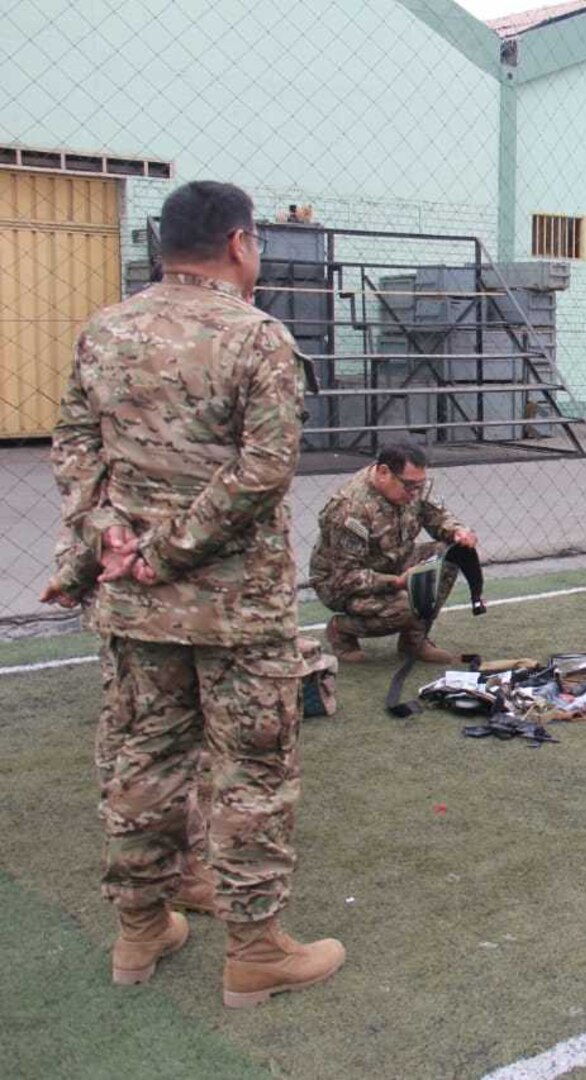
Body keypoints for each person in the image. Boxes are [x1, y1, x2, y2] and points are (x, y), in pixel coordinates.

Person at [42, 180, 343, 1007]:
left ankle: (140, 932)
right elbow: (262, 471)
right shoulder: (258, 338)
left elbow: (72, 438)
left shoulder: (106, 330)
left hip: (133, 604)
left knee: (143, 758)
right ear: (242, 244)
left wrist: (108, 528)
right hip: (233, 607)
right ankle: (254, 952)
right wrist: (169, 550)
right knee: (252, 769)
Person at [309, 443, 478, 665]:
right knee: (408, 607)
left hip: (393, 561)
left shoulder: (411, 485)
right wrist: (397, 582)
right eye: (409, 486)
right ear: (383, 472)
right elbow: (345, 577)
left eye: (420, 485)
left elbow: (437, 516)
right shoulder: (350, 509)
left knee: (451, 554)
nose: (415, 493)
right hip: (341, 585)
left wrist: (458, 532)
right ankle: (341, 629)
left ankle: (414, 642)